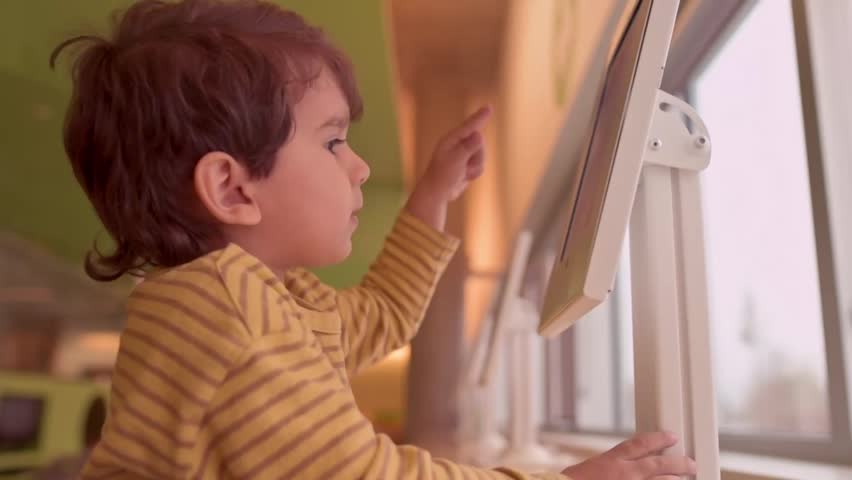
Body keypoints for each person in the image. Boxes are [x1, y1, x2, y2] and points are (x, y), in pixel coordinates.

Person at [52, 0, 697, 478]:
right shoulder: (224, 312)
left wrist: (433, 195)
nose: (358, 166)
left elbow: (384, 314)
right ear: (232, 188)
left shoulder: (271, 298)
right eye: (333, 141)